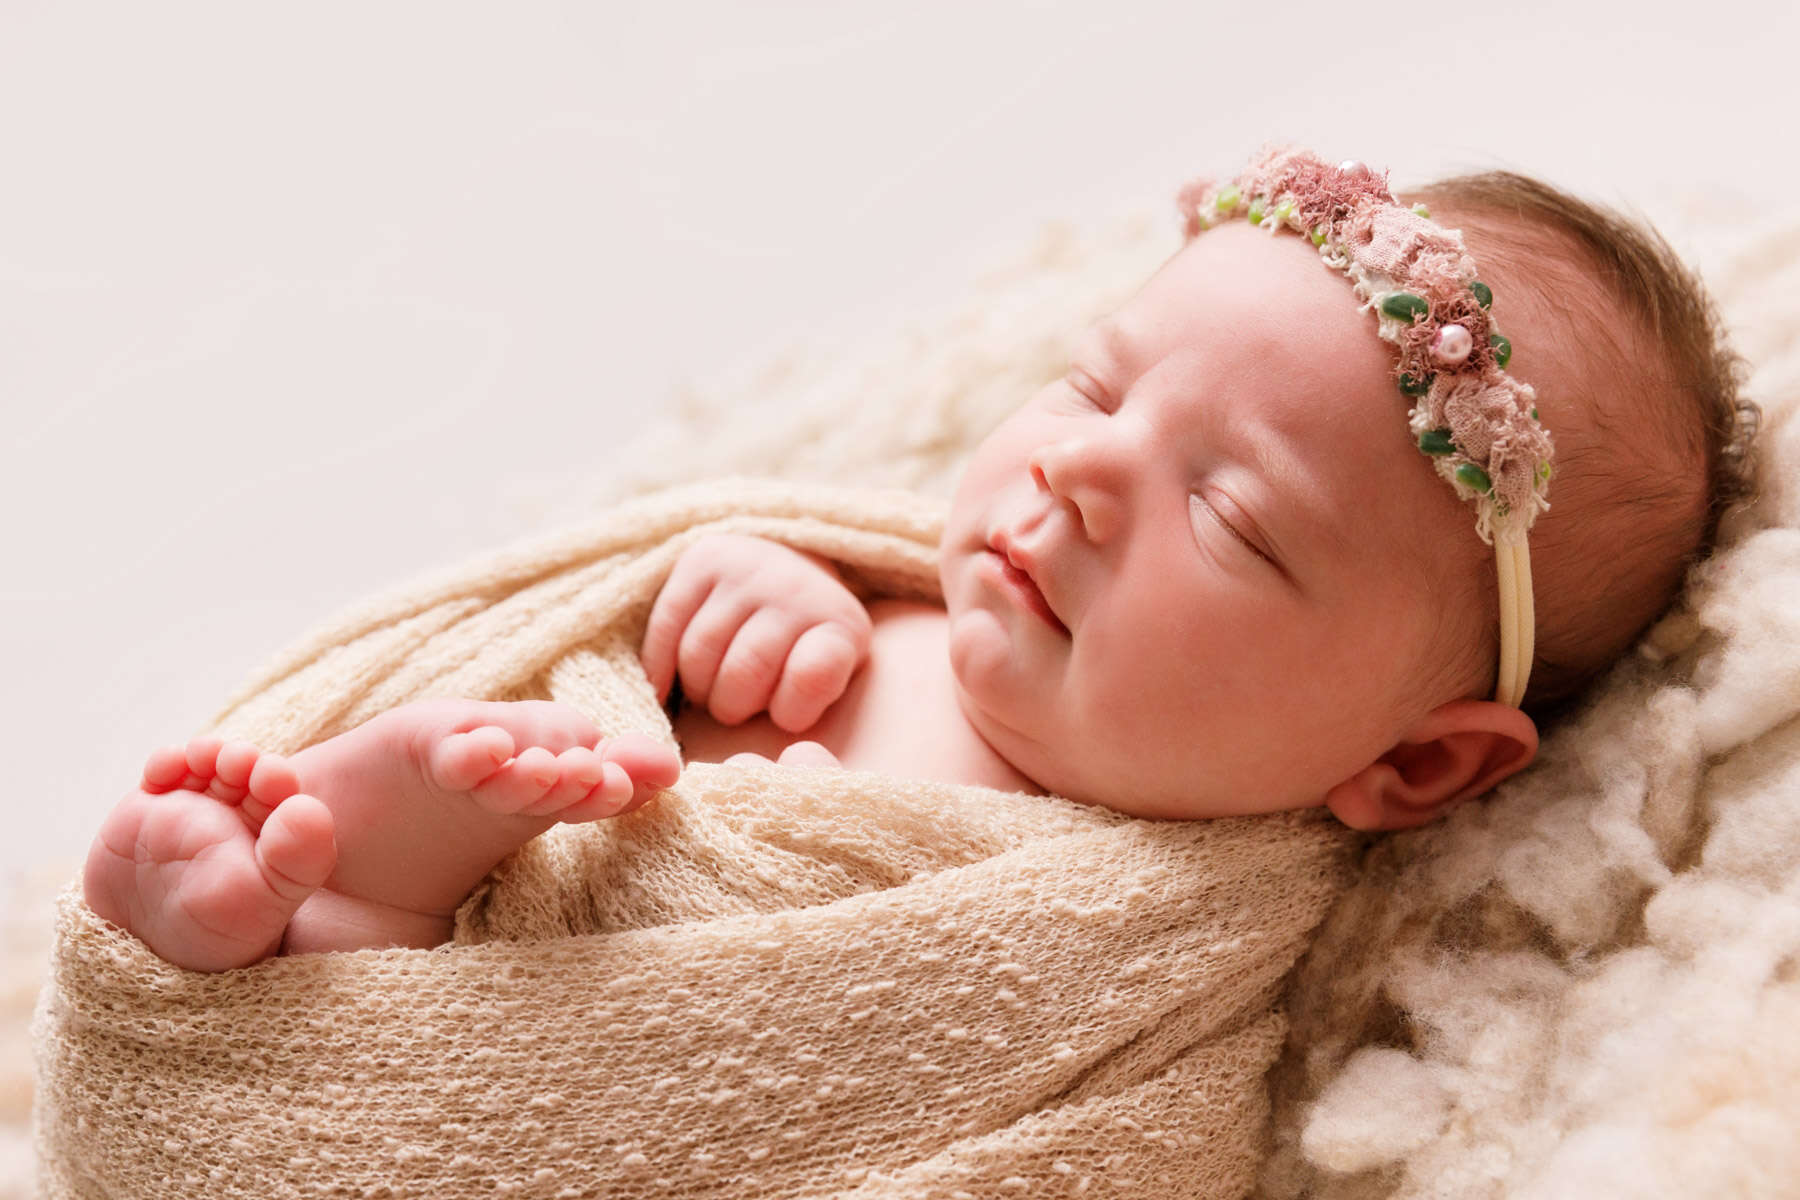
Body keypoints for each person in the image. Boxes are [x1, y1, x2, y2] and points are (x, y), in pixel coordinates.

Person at [80, 146, 1752, 974]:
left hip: (596, 1048)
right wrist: (747, 579)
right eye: (1096, 386)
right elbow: (647, 592)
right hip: (513, 891)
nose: (1078, 470)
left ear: (1420, 764)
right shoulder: (895, 598)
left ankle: (324, 906)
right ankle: (332, 862)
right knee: (502, 765)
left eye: (1233, 517)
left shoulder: (1145, 946)